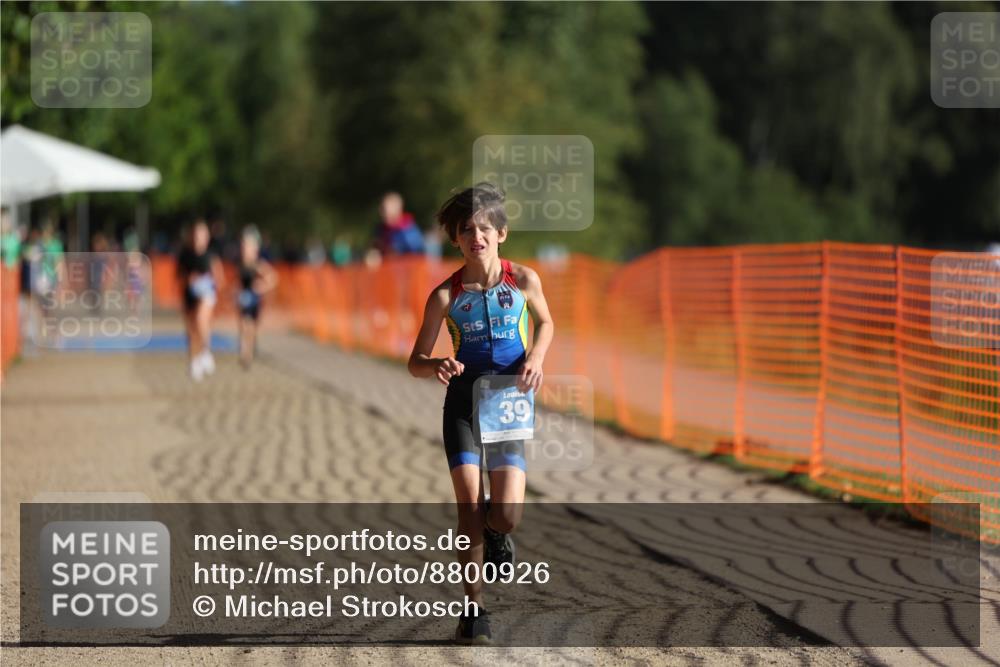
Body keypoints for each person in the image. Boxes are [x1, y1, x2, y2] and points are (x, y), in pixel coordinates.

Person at [407, 183, 554, 645]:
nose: (477, 236)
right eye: (467, 229)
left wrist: (536, 358)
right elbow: (415, 360)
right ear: (456, 238)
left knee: (506, 514)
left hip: (508, 401)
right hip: (464, 405)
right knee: (468, 508)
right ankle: (474, 611)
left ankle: (496, 533)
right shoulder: (445, 297)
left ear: (501, 234)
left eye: (485, 228)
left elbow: (547, 323)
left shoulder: (524, 280)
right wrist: (437, 365)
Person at [177, 218, 224, 381]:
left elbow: (219, 278)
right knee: (191, 330)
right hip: (189, 294)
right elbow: (179, 276)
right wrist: (189, 279)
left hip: (206, 294)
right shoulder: (185, 254)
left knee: (200, 320)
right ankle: (194, 360)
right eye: (196, 234)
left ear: (207, 237)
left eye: (202, 235)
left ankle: (206, 351)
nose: (198, 238)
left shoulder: (211, 255)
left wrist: (207, 282)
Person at [235, 225, 277, 369]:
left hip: (254, 298)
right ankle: (244, 351)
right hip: (243, 297)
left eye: (248, 246)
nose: (245, 249)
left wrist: (261, 286)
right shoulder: (240, 264)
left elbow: (272, 278)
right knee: (243, 323)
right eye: (244, 246)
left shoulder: (258, 264)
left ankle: (250, 350)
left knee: (252, 326)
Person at [374, 192, 425, 257]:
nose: (381, 213)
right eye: (381, 208)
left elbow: (417, 252)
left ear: (397, 209)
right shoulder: (381, 229)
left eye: (384, 209)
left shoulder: (408, 229)